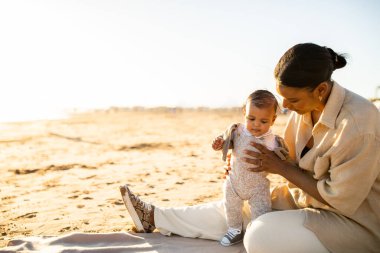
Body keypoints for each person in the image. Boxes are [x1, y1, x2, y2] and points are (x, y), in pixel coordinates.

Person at [120, 43, 380, 253]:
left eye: (292, 99)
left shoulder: (359, 124)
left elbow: (339, 199)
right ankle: (154, 217)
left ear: (321, 89)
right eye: (282, 98)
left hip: (353, 222)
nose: (286, 107)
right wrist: (244, 165)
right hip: (304, 200)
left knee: (260, 233)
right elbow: (285, 156)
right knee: (238, 207)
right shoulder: (306, 106)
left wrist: (278, 167)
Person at [211, 90, 287, 246]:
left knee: (262, 213)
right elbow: (227, 141)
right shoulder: (237, 131)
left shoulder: (272, 141)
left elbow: (283, 157)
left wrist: (280, 152)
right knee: (231, 206)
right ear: (244, 113)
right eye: (251, 118)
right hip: (234, 182)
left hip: (257, 186)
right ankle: (235, 230)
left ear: (273, 120)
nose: (256, 124)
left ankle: (257, 233)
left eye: (264, 121)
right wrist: (220, 143)